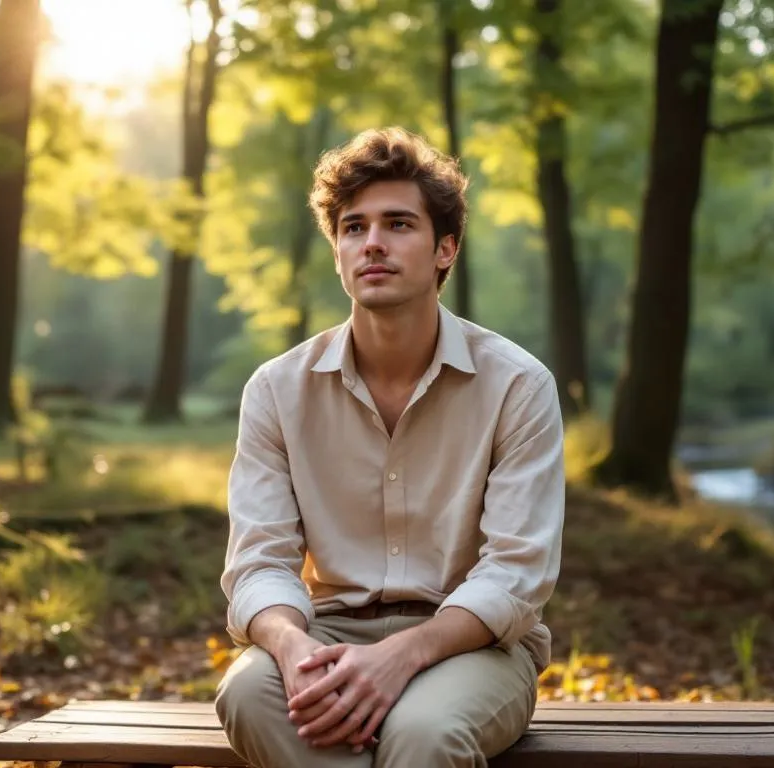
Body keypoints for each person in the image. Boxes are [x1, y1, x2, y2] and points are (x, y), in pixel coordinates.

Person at [213, 126, 566, 767]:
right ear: (338, 252)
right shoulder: (275, 390)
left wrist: (400, 657)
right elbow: (258, 563)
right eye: (353, 228)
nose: (372, 242)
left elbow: (517, 576)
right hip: (326, 631)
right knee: (248, 694)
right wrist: (292, 650)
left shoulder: (518, 385)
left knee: (422, 734)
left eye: (399, 223)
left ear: (445, 248)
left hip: (473, 645)